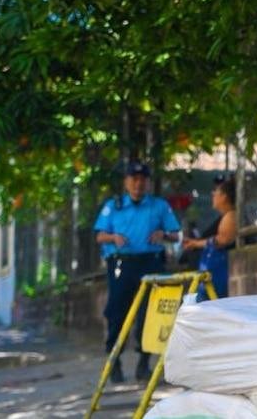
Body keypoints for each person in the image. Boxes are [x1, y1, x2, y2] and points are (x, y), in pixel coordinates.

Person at [93, 160, 181, 383]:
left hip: (150, 263)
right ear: (126, 181)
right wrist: (113, 237)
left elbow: (176, 234)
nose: (138, 183)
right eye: (134, 178)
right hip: (122, 264)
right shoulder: (114, 206)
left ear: (148, 182)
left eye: (142, 179)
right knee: (117, 314)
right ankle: (115, 363)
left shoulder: (159, 206)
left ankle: (144, 363)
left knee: (149, 314)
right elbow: (99, 236)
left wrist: (164, 234)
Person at [183, 175, 237, 300]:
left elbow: (222, 240)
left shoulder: (231, 216)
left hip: (221, 277)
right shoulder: (225, 217)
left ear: (224, 196)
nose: (213, 195)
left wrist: (197, 244)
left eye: (216, 192)